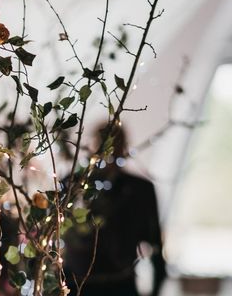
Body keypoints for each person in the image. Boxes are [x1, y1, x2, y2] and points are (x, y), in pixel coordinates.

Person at [63, 122, 166, 296]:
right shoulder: (73, 185)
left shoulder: (139, 189)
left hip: (119, 285)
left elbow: (155, 245)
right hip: (76, 285)